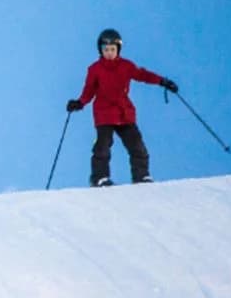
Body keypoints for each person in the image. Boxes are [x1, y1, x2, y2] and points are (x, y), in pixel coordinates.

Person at [66, 28, 177, 187]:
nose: (109, 53)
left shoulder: (126, 66)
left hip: (124, 113)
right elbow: (89, 90)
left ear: (118, 49)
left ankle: (141, 176)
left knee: (137, 145)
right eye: (106, 49)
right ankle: (99, 178)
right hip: (104, 114)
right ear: (100, 50)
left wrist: (162, 81)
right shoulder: (95, 69)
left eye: (112, 49)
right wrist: (80, 103)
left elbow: (143, 75)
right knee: (102, 146)